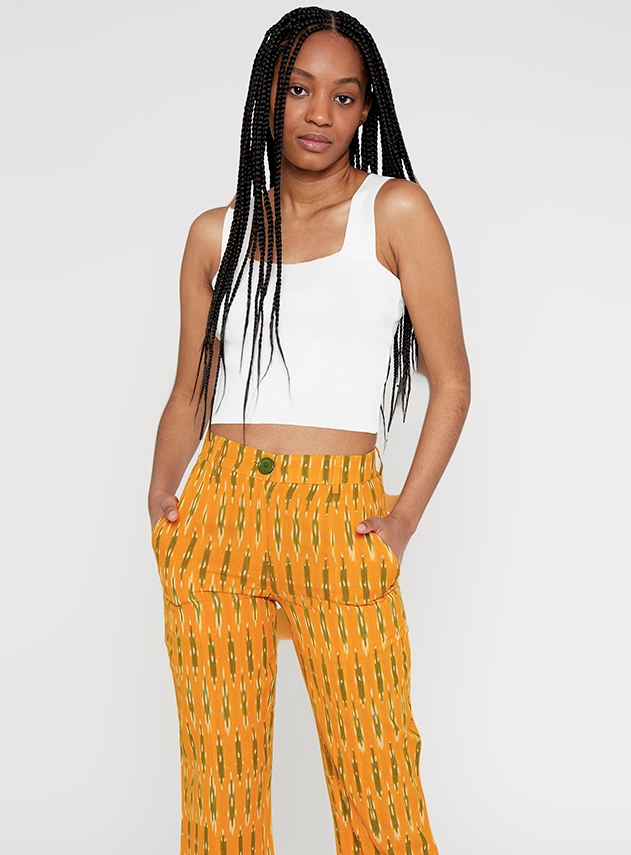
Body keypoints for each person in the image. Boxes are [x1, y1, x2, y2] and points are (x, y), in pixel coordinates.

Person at [148, 7, 470, 854]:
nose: (319, 113)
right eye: (298, 89)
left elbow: (451, 381)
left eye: (343, 95)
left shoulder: (395, 211)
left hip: (340, 516)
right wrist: (161, 501)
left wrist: (402, 518)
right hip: (214, 515)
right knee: (219, 793)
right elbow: (190, 390)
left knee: (379, 783)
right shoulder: (216, 234)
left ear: (366, 110)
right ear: (268, 95)